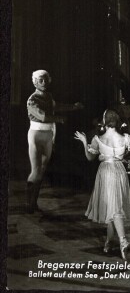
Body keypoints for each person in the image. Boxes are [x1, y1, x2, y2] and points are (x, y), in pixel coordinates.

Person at [74, 109, 130, 260]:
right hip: (120, 170)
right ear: (116, 122)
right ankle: (109, 241)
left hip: (106, 172)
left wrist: (84, 142)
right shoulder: (125, 138)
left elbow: (90, 157)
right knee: (114, 207)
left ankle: (123, 240)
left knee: (114, 208)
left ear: (104, 122)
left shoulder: (98, 139)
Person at [26, 70, 84, 213]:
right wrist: (59, 119)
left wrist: (73, 107)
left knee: (43, 169)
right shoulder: (32, 99)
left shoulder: (48, 97)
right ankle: (30, 203)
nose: (43, 83)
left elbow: (56, 107)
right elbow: (43, 116)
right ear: (34, 82)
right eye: (40, 80)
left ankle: (33, 201)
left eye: (46, 80)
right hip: (36, 135)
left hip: (48, 135)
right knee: (36, 170)